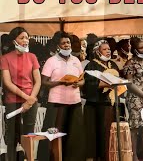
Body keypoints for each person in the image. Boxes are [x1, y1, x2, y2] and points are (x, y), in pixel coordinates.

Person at [37, 31, 85, 161]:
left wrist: (78, 83)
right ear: (58, 46)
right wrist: (60, 82)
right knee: (54, 134)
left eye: (68, 42)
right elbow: (44, 82)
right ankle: (51, 158)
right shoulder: (51, 61)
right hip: (57, 102)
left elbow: (83, 80)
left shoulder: (76, 60)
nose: (66, 45)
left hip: (74, 102)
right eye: (63, 43)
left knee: (74, 134)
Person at [0, 27, 41, 161]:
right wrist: (27, 98)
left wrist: (31, 99)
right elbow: (7, 82)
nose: (25, 41)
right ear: (14, 41)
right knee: (11, 134)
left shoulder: (32, 57)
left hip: (31, 101)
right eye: (22, 38)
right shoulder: (5, 58)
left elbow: (38, 81)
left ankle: (29, 158)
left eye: (27, 38)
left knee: (29, 134)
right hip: (13, 101)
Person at [82, 40, 120, 161]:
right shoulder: (91, 65)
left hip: (108, 103)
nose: (108, 51)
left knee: (106, 134)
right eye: (104, 49)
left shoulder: (113, 65)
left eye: (109, 49)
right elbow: (87, 85)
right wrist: (104, 84)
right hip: (94, 105)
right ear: (97, 52)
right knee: (93, 134)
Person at [123, 37, 143, 161]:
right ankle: (134, 155)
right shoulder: (130, 64)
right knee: (135, 127)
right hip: (135, 99)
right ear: (135, 50)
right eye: (141, 47)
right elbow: (129, 84)